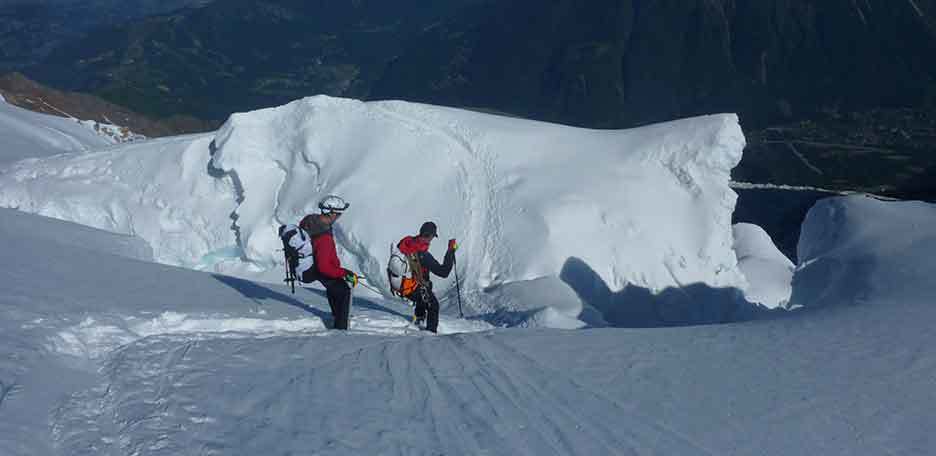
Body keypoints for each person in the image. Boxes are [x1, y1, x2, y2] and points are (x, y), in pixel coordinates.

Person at [291, 195, 359, 330]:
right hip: (316, 267)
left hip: (311, 263)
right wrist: (345, 272)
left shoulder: (311, 220)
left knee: (335, 287)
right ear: (331, 212)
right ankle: (341, 327)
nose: (339, 216)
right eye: (338, 213)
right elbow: (324, 267)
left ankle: (336, 316)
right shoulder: (324, 237)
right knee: (344, 290)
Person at [397, 221, 458, 333]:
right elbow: (443, 272)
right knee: (433, 305)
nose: (431, 241)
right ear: (429, 236)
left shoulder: (409, 243)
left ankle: (419, 319)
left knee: (425, 291)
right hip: (414, 287)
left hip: (403, 284)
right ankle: (430, 335)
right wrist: (450, 251)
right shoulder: (422, 254)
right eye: (432, 237)